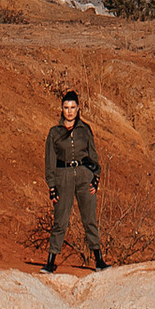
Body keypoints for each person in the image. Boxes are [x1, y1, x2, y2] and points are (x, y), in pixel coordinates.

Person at [44, 91, 107, 271]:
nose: (69, 111)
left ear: (78, 108)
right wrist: (52, 185)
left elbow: (93, 155)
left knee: (89, 219)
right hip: (63, 176)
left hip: (84, 175)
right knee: (60, 220)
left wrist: (95, 178)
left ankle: (99, 260)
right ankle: (50, 262)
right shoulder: (54, 132)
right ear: (61, 109)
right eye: (66, 108)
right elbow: (50, 161)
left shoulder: (85, 130)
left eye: (73, 108)